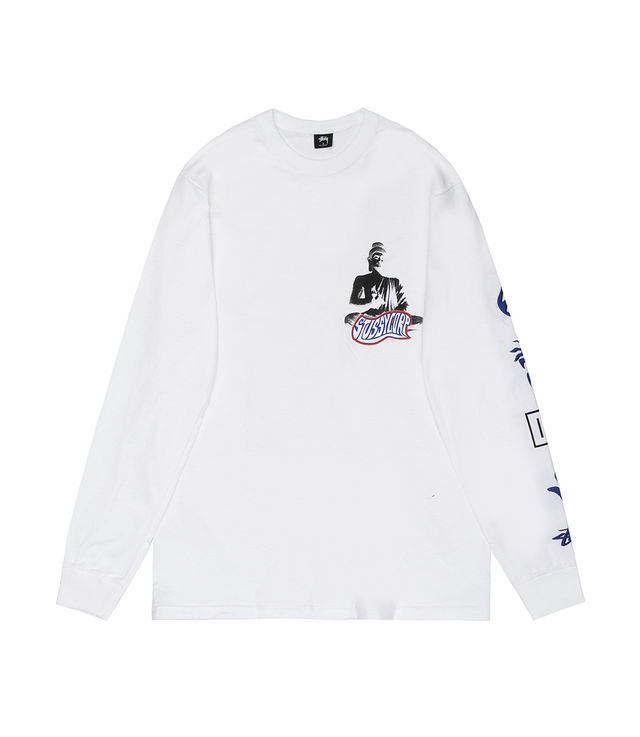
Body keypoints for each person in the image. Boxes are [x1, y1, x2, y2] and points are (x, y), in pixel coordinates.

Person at [344, 242, 422, 326]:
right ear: (369, 260)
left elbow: (405, 304)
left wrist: (393, 316)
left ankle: (388, 325)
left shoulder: (395, 281)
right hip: (371, 318)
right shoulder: (361, 279)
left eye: (382, 259)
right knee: (349, 318)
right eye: (376, 257)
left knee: (420, 320)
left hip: (391, 318)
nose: (379, 261)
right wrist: (370, 303)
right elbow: (352, 304)